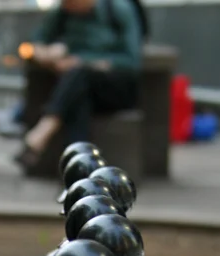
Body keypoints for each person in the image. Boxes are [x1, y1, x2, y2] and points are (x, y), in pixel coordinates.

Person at [16, 0, 143, 168]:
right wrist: (46, 54)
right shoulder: (62, 12)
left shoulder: (118, 9)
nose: (68, 5)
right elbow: (36, 42)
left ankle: (45, 129)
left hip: (115, 88)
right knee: (79, 98)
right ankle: (78, 169)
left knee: (80, 75)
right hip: (77, 87)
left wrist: (86, 62)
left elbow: (131, 60)